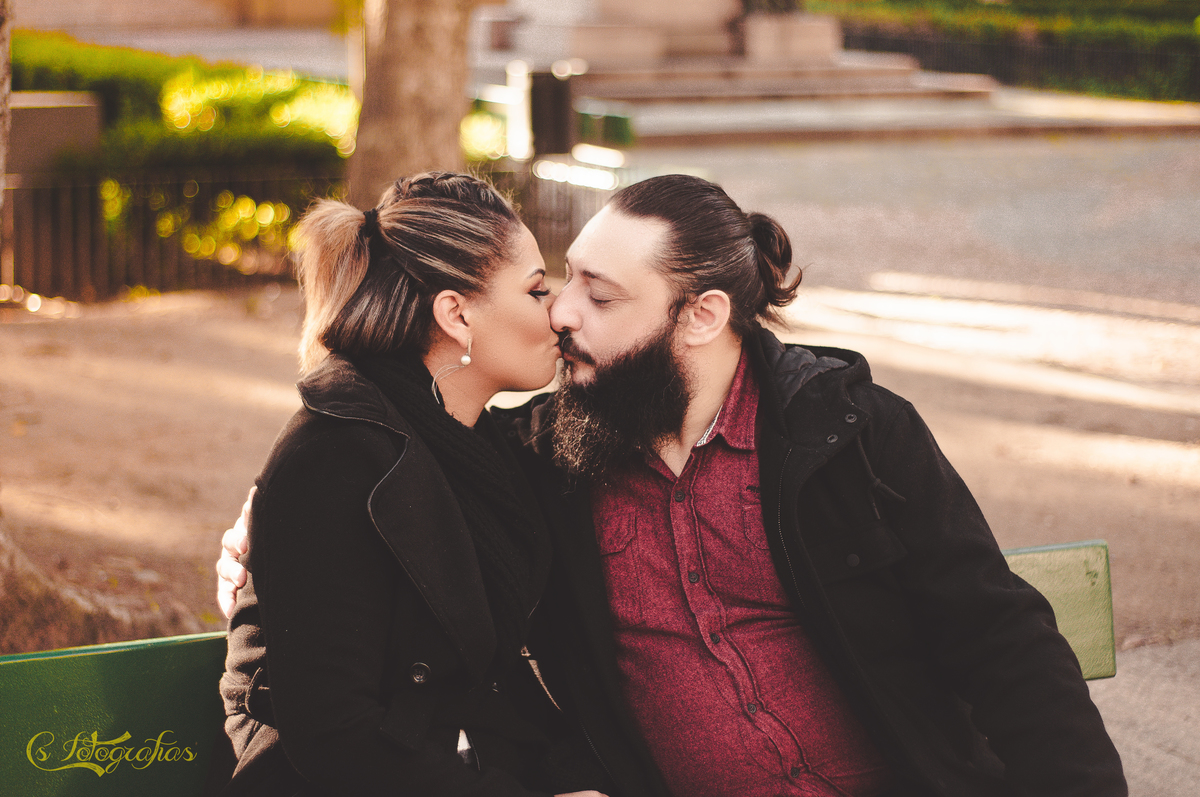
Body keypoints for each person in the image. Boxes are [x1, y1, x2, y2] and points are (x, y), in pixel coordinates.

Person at [219, 175, 1127, 797]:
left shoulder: (850, 435)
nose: (564, 312)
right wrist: (258, 538)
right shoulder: (541, 458)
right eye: (560, 281)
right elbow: (383, 478)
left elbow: (1003, 639)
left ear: (700, 316)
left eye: (600, 297)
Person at [212, 171, 608, 797]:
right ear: (456, 313)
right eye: (536, 291)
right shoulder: (332, 457)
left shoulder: (484, 448)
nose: (558, 313)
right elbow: (331, 736)